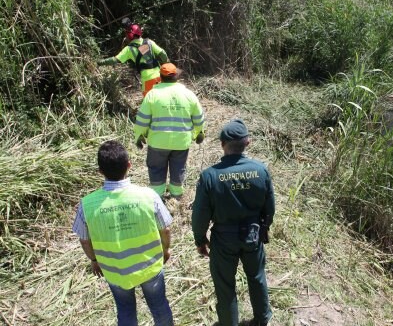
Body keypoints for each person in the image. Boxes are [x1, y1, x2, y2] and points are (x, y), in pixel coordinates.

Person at [71, 140, 174, 326]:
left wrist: (94, 260)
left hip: (114, 270)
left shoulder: (87, 204)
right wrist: (165, 250)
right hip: (149, 265)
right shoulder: (148, 196)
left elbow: (85, 241)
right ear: (129, 165)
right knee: (159, 307)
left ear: (100, 171)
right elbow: (165, 229)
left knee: (125, 311)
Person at [192, 119, 275, 326]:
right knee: (256, 277)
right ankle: (262, 319)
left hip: (223, 239)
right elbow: (270, 207)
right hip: (253, 235)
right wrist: (264, 228)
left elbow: (200, 214)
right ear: (248, 142)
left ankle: (229, 323)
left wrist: (200, 239)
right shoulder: (261, 170)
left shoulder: (209, 176)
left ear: (222, 144)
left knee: (225, 285)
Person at [133, 63, 205, 201]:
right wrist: (199, 133)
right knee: (178, 168)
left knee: (156, 169)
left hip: (157, 143)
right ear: (177, 77)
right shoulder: (188, 94)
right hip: (181, 142)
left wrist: (139, 136)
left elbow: (142, 120)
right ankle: (176, 198)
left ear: (160, 77)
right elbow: (198, 117)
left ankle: (157, 199)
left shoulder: (152, 95)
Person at [98, 20, 169, 96]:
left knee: (150, 104)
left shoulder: (129, 49)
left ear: (130, 35)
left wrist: (99, 62)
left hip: (147, 80)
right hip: (160, 77)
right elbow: (163, 54)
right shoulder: (149, 42)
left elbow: (114, 60)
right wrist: (167, 63)